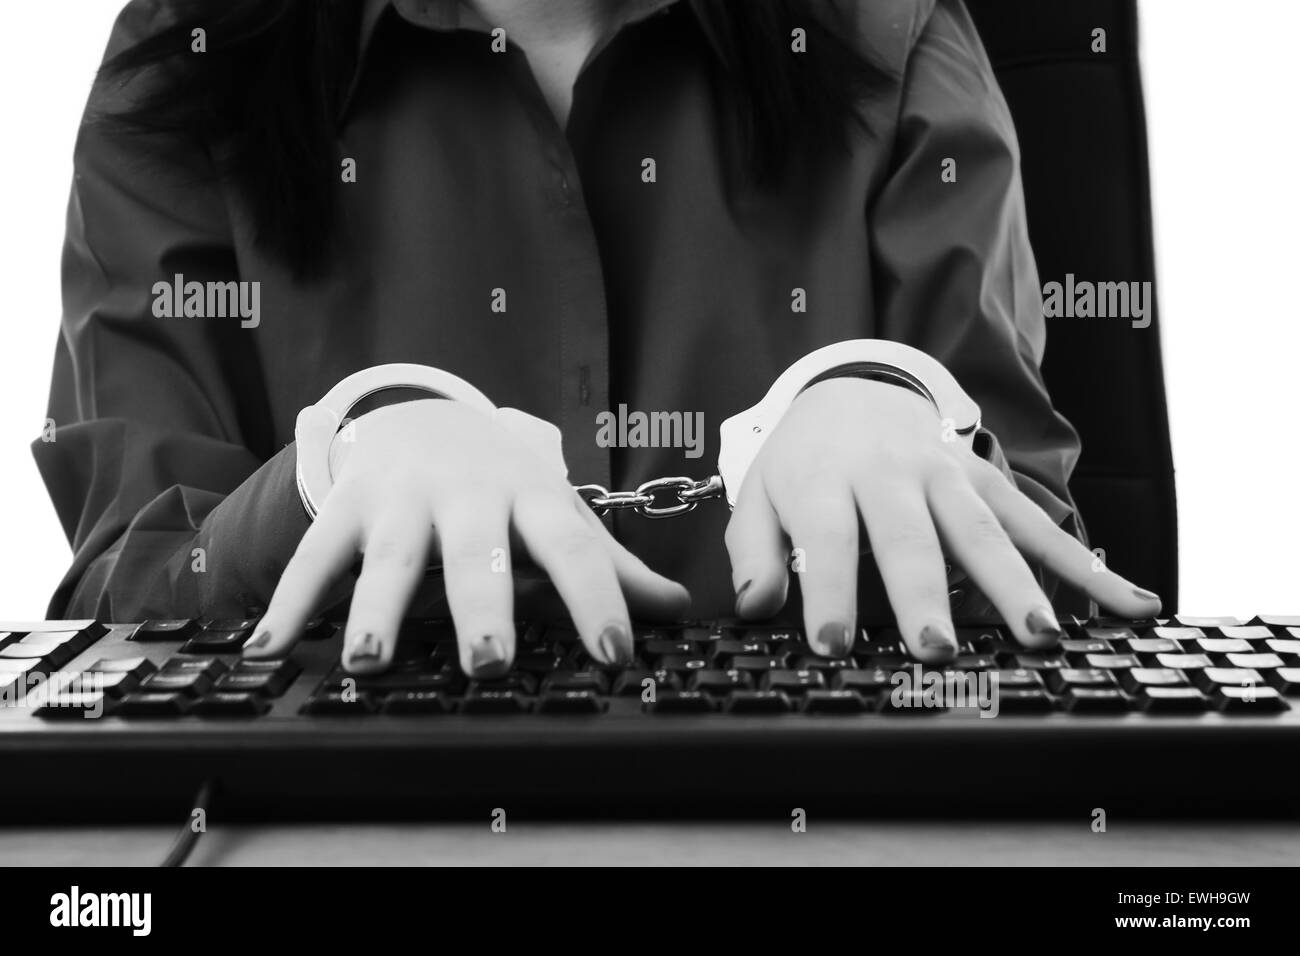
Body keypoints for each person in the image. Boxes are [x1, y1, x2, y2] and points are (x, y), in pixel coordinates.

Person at [35, 0, 1161, 680]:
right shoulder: (189, 59)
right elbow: (122, 610)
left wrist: (886, 398)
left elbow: (1050, 592)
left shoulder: (890, 32)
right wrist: (324, 482)